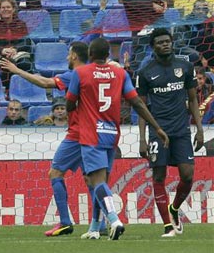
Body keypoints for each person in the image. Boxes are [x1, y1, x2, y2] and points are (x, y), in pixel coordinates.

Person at [66, 37, 169, 240]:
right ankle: (95, 228)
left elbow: (69, 102)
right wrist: (156, 126)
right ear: (108, 55)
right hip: (112, 135)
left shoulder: (80, 73)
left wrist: (79, 110)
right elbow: (136, 102)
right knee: (98, 181)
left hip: (90, 134)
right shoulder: (120, 73)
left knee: (96, 181)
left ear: (91, 55)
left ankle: (114, 220)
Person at [1, 42, 94, 237]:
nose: (67, 58)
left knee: (55, 173)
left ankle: (65, 222)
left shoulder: (75, 74)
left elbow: (45, 83)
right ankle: (100, 223)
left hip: (78, 134)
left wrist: (16, 70)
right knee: (92, 178)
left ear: (75, 56)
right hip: (95, 132)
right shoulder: (94, 73)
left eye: (69, 54)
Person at [137, 28, 204, 237]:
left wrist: (199, 129)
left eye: (167, 41)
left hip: (181, 130)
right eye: (160, 42)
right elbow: (141, 106)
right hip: (158, 131)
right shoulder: (145, 72)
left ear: (172, 43)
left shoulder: (185, 67)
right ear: (153, 47)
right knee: (159, 176)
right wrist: (142, 138)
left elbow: (193, 99)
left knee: (187, 175)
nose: (165, 44)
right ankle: (168, 226)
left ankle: (174, 209)